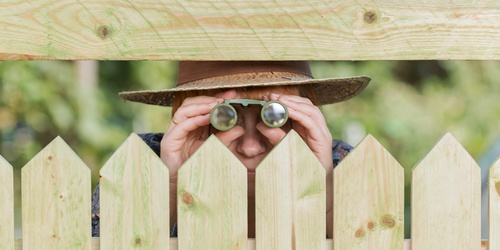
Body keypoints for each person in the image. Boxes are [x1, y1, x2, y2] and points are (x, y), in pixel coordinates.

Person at [91, 61, 370, 238]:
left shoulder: (340, 164)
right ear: (192, 115)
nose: (250, 146)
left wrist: (321, 186)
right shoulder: (142, 160)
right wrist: (172, 184)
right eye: (224, 119)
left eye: (273, 116)